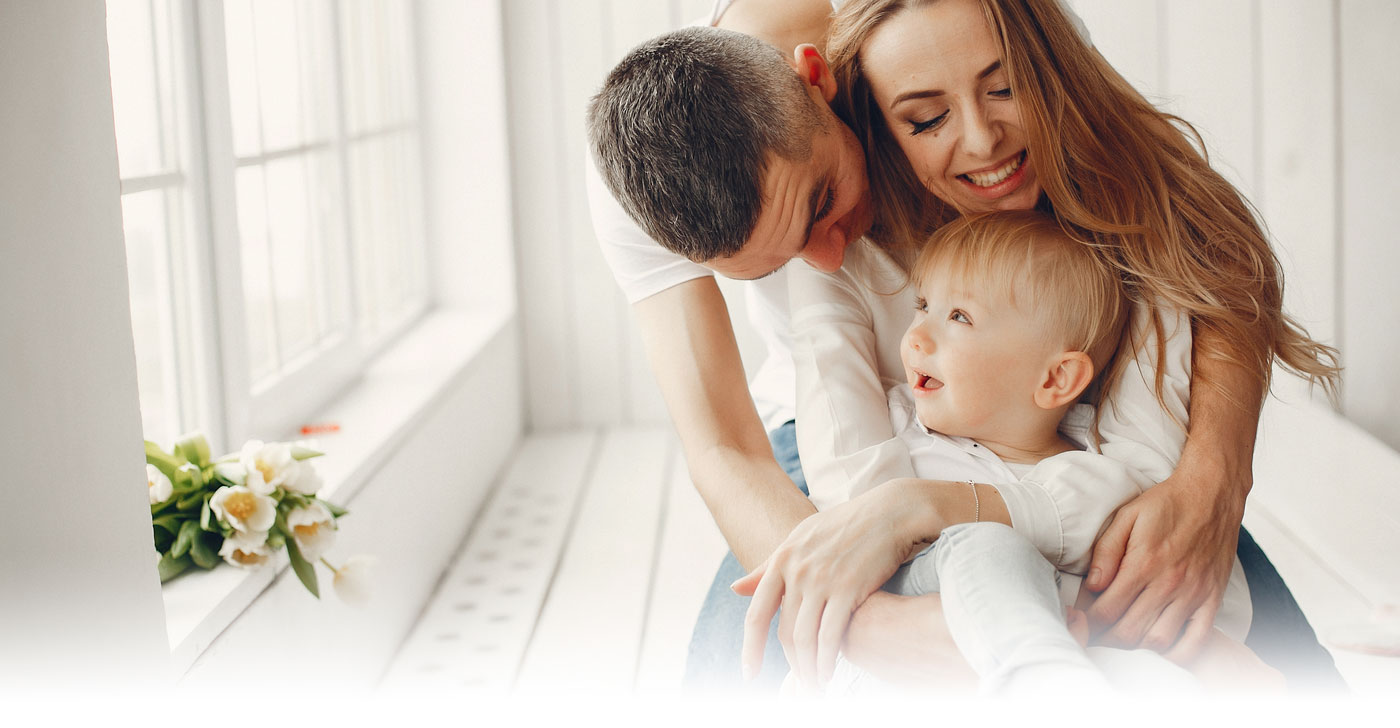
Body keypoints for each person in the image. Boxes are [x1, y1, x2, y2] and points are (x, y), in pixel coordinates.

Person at [585, 0, 1340, 692]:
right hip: (842, 435)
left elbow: (1198, 244)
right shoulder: (642, 180)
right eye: (779, 265)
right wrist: (871, 627)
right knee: (730, 680)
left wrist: (1211, 481)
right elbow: (725, 449)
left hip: (1041, 423)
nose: (825, 260)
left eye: (822, 202)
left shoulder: (958, 28)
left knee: (1293, 677)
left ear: (817, 81)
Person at [778, 210, 1279, 695]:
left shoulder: (1094, 466)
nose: (916, 337)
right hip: (902, 661)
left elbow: (1107, 549)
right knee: (984, 548)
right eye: (923, 305)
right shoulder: (897, 430)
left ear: (1055, 378)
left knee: (1161, 681)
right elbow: (870, 536)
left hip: (1059, 658)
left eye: (959, 316)